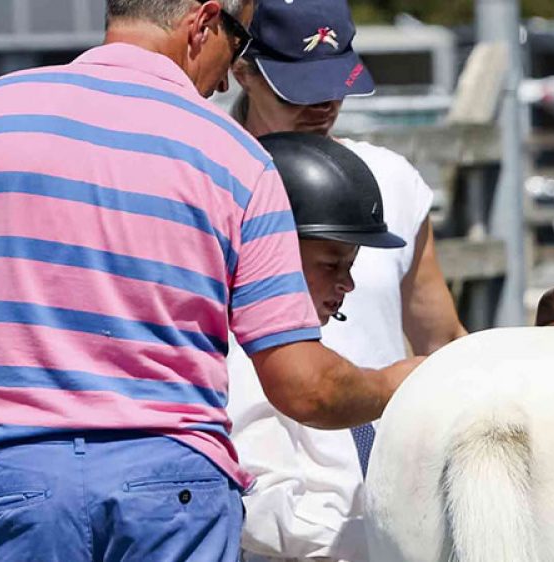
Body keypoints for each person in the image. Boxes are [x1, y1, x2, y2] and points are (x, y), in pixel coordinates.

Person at [0, 1, 422, 560]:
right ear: (201, 23)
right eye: (238, 43)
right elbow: (306, 388)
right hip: (172, 495)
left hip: (11, 485)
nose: (226, 83)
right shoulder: (237, 159)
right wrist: (401, 383)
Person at [219, 1, 467, 560]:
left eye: (335, 82)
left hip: (383, 495)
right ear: (241, 67)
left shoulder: (392, 183)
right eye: (298, 87)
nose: (324, 104)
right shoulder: (210, 181)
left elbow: (442, 340)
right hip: (256, 503)